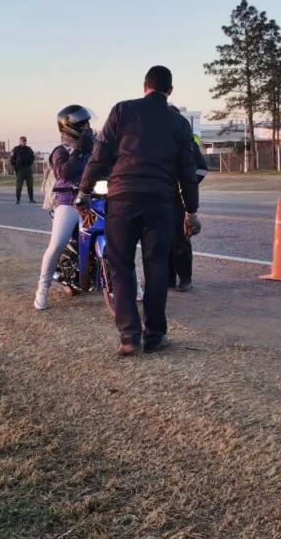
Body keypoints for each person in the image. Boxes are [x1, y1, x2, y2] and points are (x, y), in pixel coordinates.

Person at [77, 66, 200, 356]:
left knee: (121, 267)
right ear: (170, 90)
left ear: (144, 85)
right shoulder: (179, 123)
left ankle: (129, 337)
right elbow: (188, 172)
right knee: (156, 266)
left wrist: (83, 191)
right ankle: (154, 336)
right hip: (160, 203)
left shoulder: (122, 111)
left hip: (121, 200)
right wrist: (191, 212)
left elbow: (100, 155)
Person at [34, 106, 96, 310]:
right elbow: (65, 173)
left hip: (93, 200)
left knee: (120, 236)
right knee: (58, 242)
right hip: (68, 201)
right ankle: (42, 289)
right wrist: (79, 150)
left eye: (88, 123)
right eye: (83, 125)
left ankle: (131, 287)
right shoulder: (59, 151)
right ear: (70, 128)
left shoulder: (94, 148)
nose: (88, 127)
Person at [167, 112, 209, 293]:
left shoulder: (186, 140)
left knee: (179, 238)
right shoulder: (157, 140)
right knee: (160, 240)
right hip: (159, 196)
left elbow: (200, 169)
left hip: (178, 197)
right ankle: (166, 278)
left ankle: (185, 278)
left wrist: (184, 185)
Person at [10, 136, 36, 204]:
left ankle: (31, 199)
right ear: (20, 141)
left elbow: (33, 157)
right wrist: (16, 167)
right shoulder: (16, 149)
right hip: (20, 170)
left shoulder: (29, 149)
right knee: (19, 186)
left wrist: (30, 162)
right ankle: (18, 200)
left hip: (28, 169)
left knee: (30, 185)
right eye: (22, 141)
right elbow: (12, 160)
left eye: (25, 141)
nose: (24, 142)